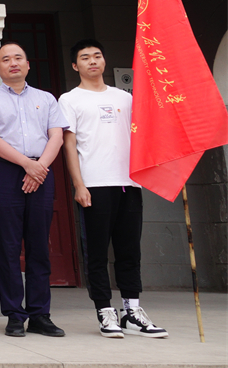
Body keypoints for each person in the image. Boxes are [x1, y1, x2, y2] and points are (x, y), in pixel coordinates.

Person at [59, 39, 168, 339]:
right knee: (96, 253)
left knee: (129, 251)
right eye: (85, 57)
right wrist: (78, 184)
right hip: (94, 185)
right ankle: (105, 311)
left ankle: (132, 311)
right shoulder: (70, 99)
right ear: (75, 65)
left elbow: (143, 135)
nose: (92, 61)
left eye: (97, 56)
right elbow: (69, 144)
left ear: (104, 61)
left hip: (128, 184)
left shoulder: (124, 97)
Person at [0, 41, 68, 338]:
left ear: (27, 65)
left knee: (40, 245)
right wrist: (27, 164)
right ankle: (14, 314)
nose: (12, 63)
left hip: (42, 169)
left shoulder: (47, 99)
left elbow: (57, 137)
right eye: (6, 59)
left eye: (18, 58)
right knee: (9, 246)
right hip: (6, 172)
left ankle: (40, 314)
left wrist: (38, 168)